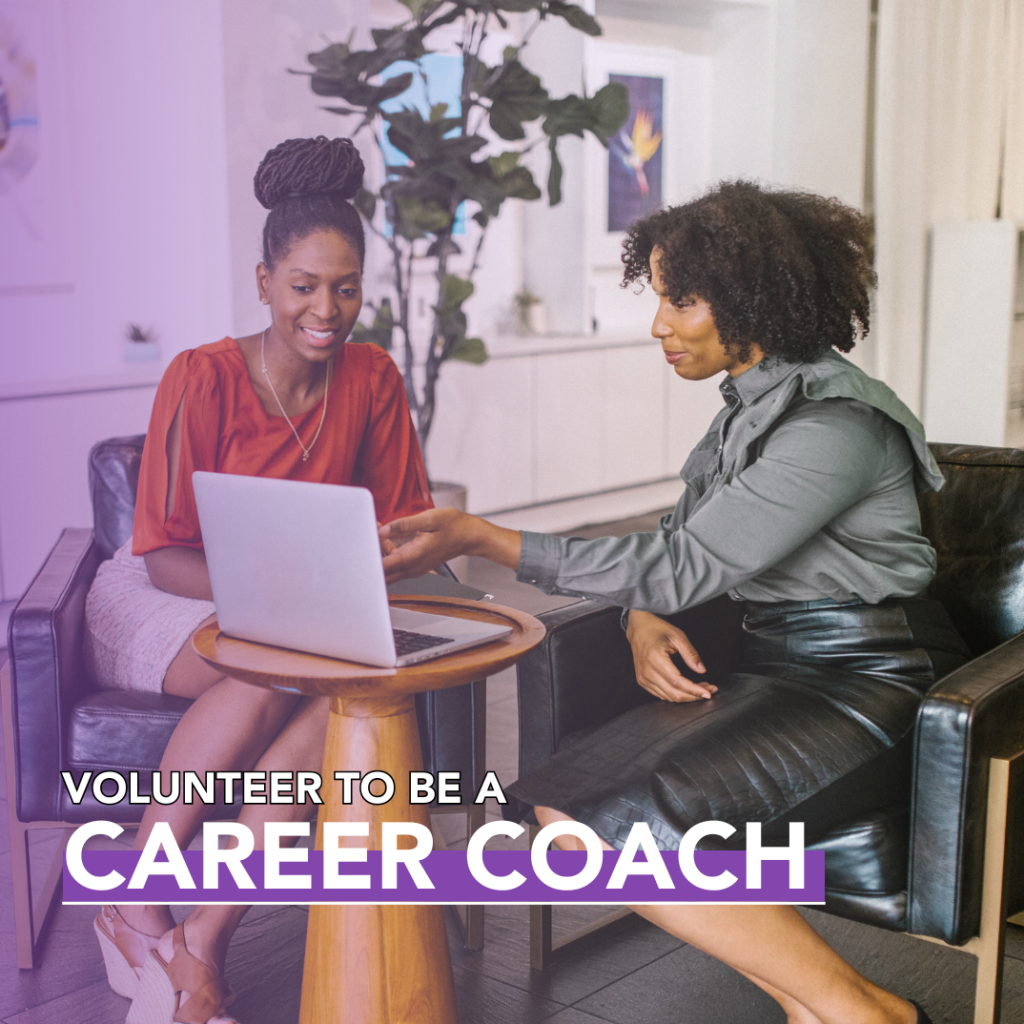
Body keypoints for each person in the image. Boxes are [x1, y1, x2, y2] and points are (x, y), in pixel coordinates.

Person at [379, 181, 970, 1024]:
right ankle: (835, 1010)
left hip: (875, 682)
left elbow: (687, 559)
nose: (659, 323)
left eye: (680, 299)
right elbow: (675, 543)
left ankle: (863, 1016)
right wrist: (640, 616)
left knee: (607, 832)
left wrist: (485, 539)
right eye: (658, 297)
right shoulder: (742, 413)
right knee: (561, 813)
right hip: (778, 665)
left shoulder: (833, 426)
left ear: (751, 300)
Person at [84, 136, 431, 1024]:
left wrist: (361, 594)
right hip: (158, 597)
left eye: (345, 287)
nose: (328, 308)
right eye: (305, 286)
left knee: (343, 697)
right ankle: (138, 890)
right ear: (264, 280)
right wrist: (285, 615)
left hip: (289, 623)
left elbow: (400, 531)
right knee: (281, 664)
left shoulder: (375, 378)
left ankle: (204, 933)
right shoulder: (199, 377)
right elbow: (160, 551)